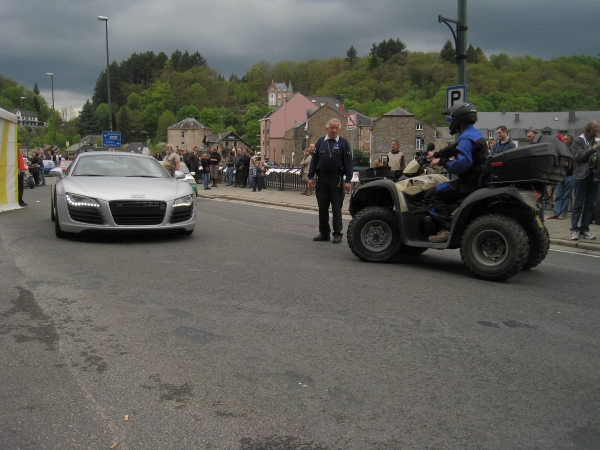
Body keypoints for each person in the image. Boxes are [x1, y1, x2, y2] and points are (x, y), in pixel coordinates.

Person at [425, 102, 487, 243]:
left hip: (469, 183)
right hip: (478, 180)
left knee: (431, 194)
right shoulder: (473, 134)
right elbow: (454, 148)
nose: (451, 122)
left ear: (459, 119)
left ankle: (446, 227)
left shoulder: (466, 138)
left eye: (452, 119)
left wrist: (441, 162)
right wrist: (435, 154)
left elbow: (460, 165)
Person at [307, 118, 354, 244]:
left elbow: (349, 163)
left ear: (339, 129)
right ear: (327, 129)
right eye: (331, 128)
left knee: (337, 207)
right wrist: (310, 177)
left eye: (336, 128)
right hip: (322, 178)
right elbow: (314, 160)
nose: (334, 130)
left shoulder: (344, 143)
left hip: (336, 179)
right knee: (322, 207)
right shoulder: (321, 142)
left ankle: (337, 233)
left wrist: (348, 180)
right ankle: (324, 233)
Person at [569, 121, 600, 240]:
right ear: (588, 131)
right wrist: (594, 148)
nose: (597, 133)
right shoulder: (578, 141)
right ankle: (574, 229)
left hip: (595, 175)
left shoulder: (597, 141)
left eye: (598, 131)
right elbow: (579, 156)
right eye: (595, 131)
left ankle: (584, 229)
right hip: (581, 175)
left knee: (590, 204)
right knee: (578, 203)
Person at [547, 134, 574, 220]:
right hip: (560, 176)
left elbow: (575, 164)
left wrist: (568, 164)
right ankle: (556, 213)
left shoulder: (573, 152)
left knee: (567, 196)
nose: (563, 140)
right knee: (558, 195)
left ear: (570, 142)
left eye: (565, 139)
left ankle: (563, 213)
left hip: (570, 176)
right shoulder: (560, 151)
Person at [17, 141, 27, 207]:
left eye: (20, 145)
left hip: (21, 170)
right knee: (19, 186)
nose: (19, 146)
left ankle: (20, 199)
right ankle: (19, 200)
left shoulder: (19, 152)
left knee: (21, 187)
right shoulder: (16, 153)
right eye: (18, 145)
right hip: (18, 171)